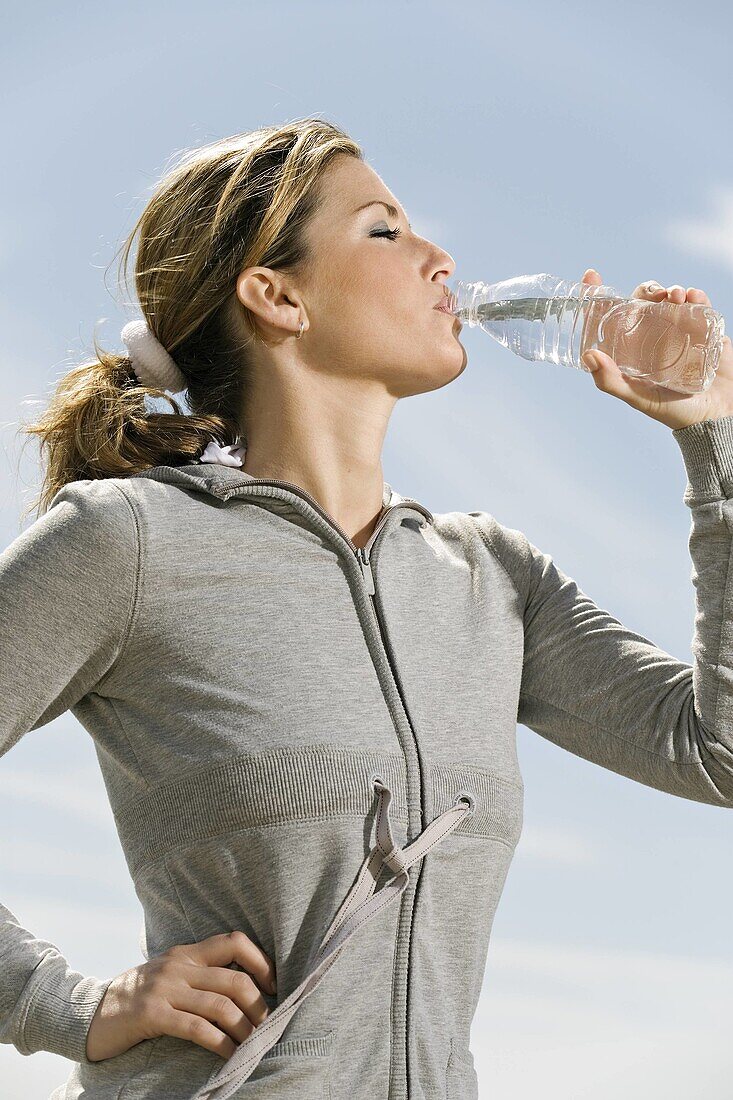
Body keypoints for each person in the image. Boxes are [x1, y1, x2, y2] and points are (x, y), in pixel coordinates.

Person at [1, 115, 732, 1100]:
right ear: (277, 294)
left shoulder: (491, 574)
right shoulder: (127, 541)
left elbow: (714, 750)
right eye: (385, 229)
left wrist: (714, 443)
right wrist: (66, 1006)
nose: (441, 258)